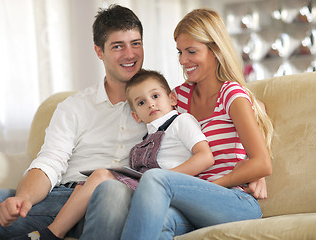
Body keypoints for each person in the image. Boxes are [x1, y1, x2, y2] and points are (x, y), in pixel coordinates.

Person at [0, 4, 148, 240]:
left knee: (112, 192)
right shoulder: (74, 106)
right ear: (99, 52)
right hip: (63, 198)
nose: (130, 54)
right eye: (118, 46)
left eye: (135, 43)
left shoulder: (161, 103)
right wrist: (23, 198)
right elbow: (50, 161)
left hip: (120, 201)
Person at [120, 8, 274, 240]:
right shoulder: (178, 97)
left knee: (156, 179)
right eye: (180, 52)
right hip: (194, 202)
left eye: (191, 51)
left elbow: (263, 163)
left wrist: (218, 183)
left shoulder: (231, 94)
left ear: (215, 50)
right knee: (160, 221)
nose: (183, 60)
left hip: (235, 201)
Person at [12, 69, 214, 240]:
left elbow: (205, 157)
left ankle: (51, 234)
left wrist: (161, 180)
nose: (151, 104)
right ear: (136, 115)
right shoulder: (148, 136)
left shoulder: (182, 121)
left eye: (155, 96)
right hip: (149, 189)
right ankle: (53, 231)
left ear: (172, 98)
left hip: (171, 188)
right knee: (95, 178)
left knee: (101, 175)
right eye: (141, 103)